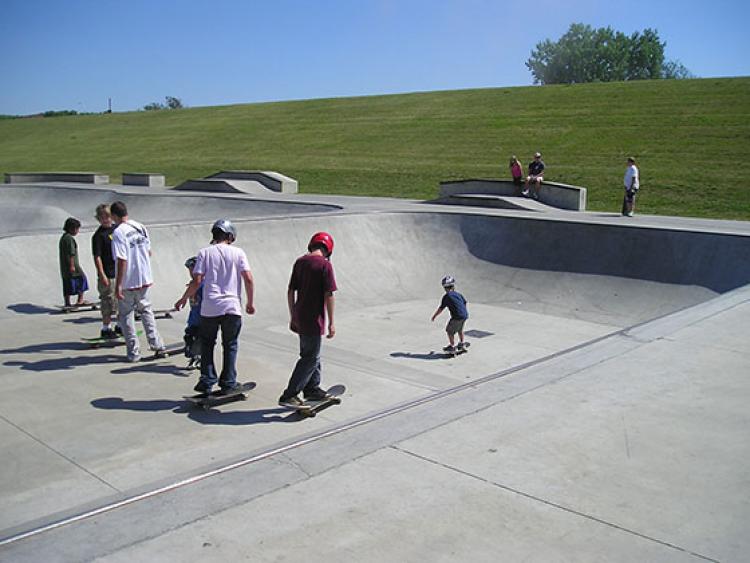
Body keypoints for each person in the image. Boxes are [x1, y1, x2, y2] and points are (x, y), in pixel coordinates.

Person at [175, 220, 255, 395]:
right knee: (230, 344)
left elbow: (197, 281)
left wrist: (183, 298)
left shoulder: (204, 253)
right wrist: (249, 302)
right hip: (232, 307)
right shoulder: (238, 252)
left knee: (207, 344)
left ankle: (206, 380)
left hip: (210, 307)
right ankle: (228, 382)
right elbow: (248, 278)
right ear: (230, 236)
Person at [278, 232, 337, 408]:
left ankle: (312, 388)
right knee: (309, 358)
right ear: (328, 249)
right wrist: (332, 322)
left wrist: (292, 315)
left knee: (313, 354)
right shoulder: (325, 265)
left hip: (300, 317)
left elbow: (290, 291)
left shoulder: (300, 262)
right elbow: (329, 294)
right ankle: (290, 394)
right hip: (313, 319)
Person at [111, 200, 165, 362]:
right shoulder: (140, 227)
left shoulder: (119, 232)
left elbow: (122, 259)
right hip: (144, 278)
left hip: (128, 281)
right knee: (146, 311)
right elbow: (148, 252)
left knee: (126, 316)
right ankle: (157, 344)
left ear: (114, 216)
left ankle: (134, 353)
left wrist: (119, 284)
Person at [91, 204, 120, 339]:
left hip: (119, 271)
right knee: (107, 300)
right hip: (107, 273)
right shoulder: (98, 236)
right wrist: (101, 274)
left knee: (121, 300)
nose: (105, 220)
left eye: (107, 216)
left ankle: (120, 325)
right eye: (102, 218)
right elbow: (97, 257)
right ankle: (106, 328)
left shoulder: (116, 230)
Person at [431, 275, 468, 353]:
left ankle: (452, 347)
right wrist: (463, 311)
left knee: (449, 330)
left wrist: (434, 316)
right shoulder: (458, 294)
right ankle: (461, 344)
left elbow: (441, 309)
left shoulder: (447, 297)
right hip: (464, 315)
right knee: (460, 330)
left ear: (445, 288)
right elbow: (465, 302)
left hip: (456, 317)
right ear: (453, 286)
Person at [59, 217, 89, 308]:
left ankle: (67, 302)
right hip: (73, 265)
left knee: (67, 283)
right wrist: (72, 266)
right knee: (82, 279)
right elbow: (71, 253)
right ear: (72, 228)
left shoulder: (63, 238)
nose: (77, 231)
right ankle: (80, 300)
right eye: (77, 229)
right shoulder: (69, 239)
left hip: (64, 266)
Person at [181, 256, 203, 368]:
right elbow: (190, 291)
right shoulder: (192, 284)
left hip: (203, 319)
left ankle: (199, 358)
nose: (190, 273)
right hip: (193, 319)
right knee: (189, 337)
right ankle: (195, 357)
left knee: (199, 340)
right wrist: (184, 299)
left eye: (192, 270)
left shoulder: (204, 284)